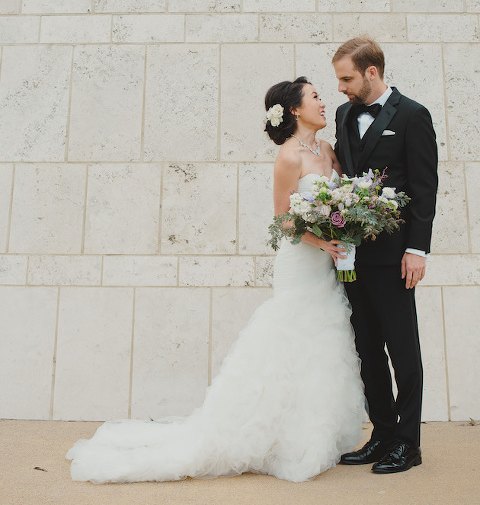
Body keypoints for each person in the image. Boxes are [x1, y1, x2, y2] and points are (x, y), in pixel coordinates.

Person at [67, 77, 364, 483]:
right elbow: (282, 219)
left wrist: (349, 220)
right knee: (291, 341)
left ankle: (309, 432)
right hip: (300, 263)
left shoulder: (328, 150)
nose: (323, 102)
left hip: (328, 264)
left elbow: (346, 199)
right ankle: (266, 435)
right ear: (295, 109)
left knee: (323, 345)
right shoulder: (288, 156)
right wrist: (321, 241)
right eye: (315, 96)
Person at [332, 37, 438, 474]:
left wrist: (417, 249)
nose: (340, 88)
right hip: (351, 257)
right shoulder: (343, 114)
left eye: (347, 78)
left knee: (402, 349)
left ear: (371, 72)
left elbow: (424, 188)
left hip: (396, 256)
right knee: (368, 349)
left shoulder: (413, 115)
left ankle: (407, 443)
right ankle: (382, 434)